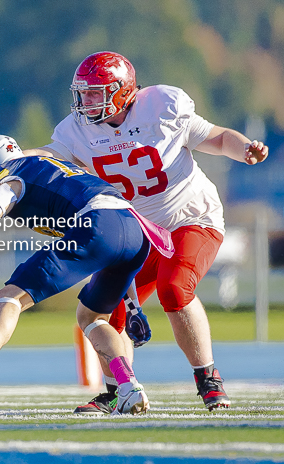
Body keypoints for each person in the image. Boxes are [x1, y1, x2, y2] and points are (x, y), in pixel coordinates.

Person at [22, 51, 269, 413]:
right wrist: (7, 162)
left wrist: (243, 147)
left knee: (175, 287)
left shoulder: (161, 106)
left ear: (123, 91)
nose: (87, 101)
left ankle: (208, 379)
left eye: (96, 92)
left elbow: (214, 137)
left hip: (189, 217)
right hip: (136, 232)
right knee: (103, 309)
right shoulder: (77, 129)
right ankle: (117, 390)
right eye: (84, 93)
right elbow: (47, 155)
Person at [0, 135, 174, 414]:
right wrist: (132, 305)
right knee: (91, 318)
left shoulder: (13, 176)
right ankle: (129, 386)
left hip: (98, 222)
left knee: (8, 297)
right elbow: (114, 236)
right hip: (135, 230)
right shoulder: (46, 165)